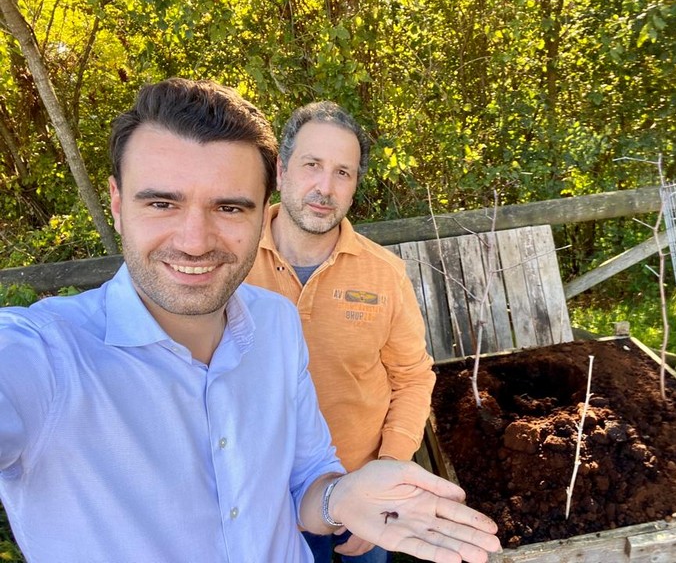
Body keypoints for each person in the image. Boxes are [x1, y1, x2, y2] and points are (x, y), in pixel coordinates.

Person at [0, 78, 500, 563]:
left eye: (229, 207)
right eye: (162, 203)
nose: (195, 241)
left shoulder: (294, 314)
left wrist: (369, 480)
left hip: (348, 494)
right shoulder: (43, 355)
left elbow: (405, 381)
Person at [245, 101, 435, 562]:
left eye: (342, 173)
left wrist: (387, 477)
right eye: (312, 165)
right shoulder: (230, 261)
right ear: (281, 171)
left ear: (354, 187)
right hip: (257, 497)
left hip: (358, 491)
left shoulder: (384, 274)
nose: (325, 188)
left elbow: (412, 378)